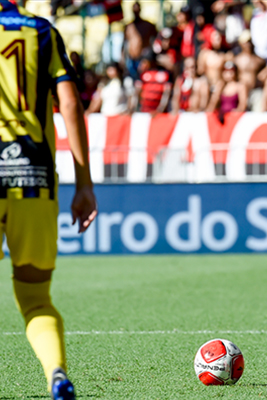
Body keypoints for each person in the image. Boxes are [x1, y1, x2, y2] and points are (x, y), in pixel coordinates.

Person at [0, 1, 98, 399]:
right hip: (34, 177)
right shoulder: (41, 31)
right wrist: (85, 183)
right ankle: (56, 374)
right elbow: (70, 103)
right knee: (36, 297)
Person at [123, 1, 157, 80]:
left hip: (143, 58)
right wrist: (123, 57)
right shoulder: (128, 27)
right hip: (131, 58)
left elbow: (156, 40)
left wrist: (149, 55)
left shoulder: (148, 25)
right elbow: (124, 42)